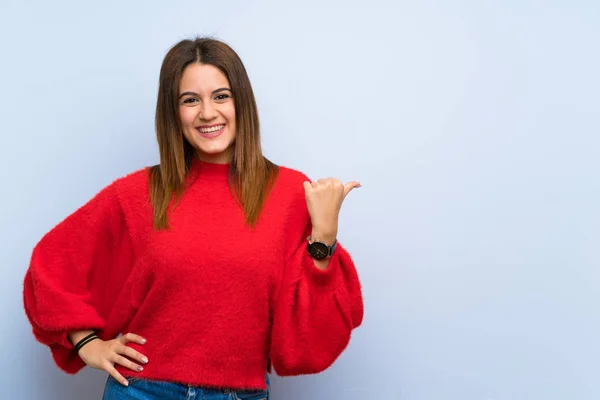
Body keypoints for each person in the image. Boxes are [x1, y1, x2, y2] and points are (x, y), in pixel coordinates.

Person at [23, 37, 363, 400]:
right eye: (190, 100)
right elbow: (51, 266)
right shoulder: (138, 193)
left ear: (241, 103)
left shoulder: (293, 193)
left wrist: (324, 235)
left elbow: (308, 346)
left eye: (221, 96)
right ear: (174, 112)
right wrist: (87, 342)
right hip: (142, 391)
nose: (207, 113)